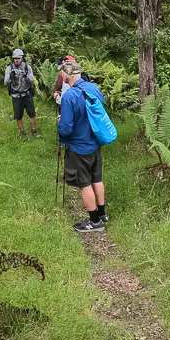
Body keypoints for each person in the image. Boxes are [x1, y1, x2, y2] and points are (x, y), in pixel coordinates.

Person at [57, 59, 108, 233]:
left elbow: (65, 128)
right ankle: (102, 214)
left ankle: (95, 222)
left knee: (84, 183)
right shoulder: (93, 88)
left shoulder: (69, 96)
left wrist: (59, 124)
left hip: (79, 147)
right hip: (95, 143)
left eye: (61, 73)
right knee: (96, 179)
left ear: (66, 74)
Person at [4, 49, 39, 139]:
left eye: (18, 58)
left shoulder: (28, 68)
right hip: (16, 96)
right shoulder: (9, 68)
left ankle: (34, 130)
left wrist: (25, 76)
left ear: (22, 58)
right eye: (15, 58)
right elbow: (5, 83)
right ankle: (22, 132)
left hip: (27, 94)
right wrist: (11, 77)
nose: (16, 60)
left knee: (32, 114)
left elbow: (32, 81)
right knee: (18, 115)